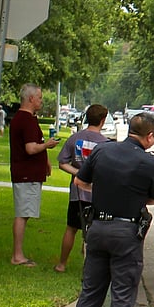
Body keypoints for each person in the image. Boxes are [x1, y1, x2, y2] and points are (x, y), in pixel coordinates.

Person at [72, 113, 154, 307]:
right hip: (126, 230)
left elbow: (80, 180)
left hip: (98, 227)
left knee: (90, 293)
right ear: (150, 136)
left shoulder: (102, 151)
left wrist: (104, 192)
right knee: (122, 295)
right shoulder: (148, 162)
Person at [54, 104, 111, 272]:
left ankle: (62, 264)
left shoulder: (75, 138)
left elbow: (62, 162)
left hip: (77, 193)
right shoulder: (106, 144)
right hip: (97, 194)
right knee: (93, 230)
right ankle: (89, 267)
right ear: (103, 120)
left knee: (71, 228)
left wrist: (78, 173)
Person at [9, 84, 60, 266]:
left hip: (26, 173)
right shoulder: (26, 120)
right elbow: (30, 148)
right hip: (26, 174)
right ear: (31, 98)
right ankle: (17, 255)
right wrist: (47, 145)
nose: (41, 101)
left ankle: (18, 254)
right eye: (39, 98)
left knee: (24, 212)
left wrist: (45, 160)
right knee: (23, 213)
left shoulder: (23, 119)